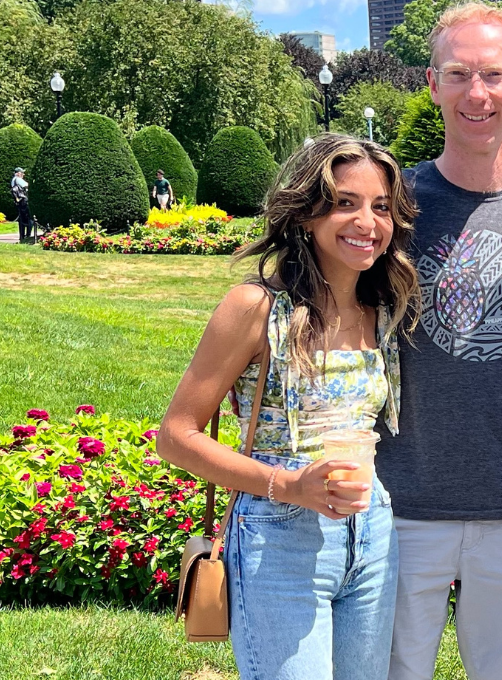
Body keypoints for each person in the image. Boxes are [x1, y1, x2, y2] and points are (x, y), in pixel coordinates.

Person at [156, 134, 420, 680]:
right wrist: (291, 486)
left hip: (371, 532)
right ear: (305, 215)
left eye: (381, 207)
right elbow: (176, 436)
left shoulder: (384, 310)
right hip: (279, 535)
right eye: (345, 203)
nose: (367, 222)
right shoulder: (256, 307)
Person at [373, 1, 502, 680]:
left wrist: (500, 376)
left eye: (493, 74)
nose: (476, 93)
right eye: (458, 74)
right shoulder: (391, 202)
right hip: (398, 500)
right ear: (432, 84)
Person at [11, 168, 33, 243]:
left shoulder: (13, 180)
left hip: (19, 201)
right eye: (22, 173)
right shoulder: (18, 179)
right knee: (30, 218)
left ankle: (22, 236)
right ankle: (28, 236)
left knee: (21, 219)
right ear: (18, 173)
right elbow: (27, 186)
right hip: (24, 201)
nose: (23, 174)